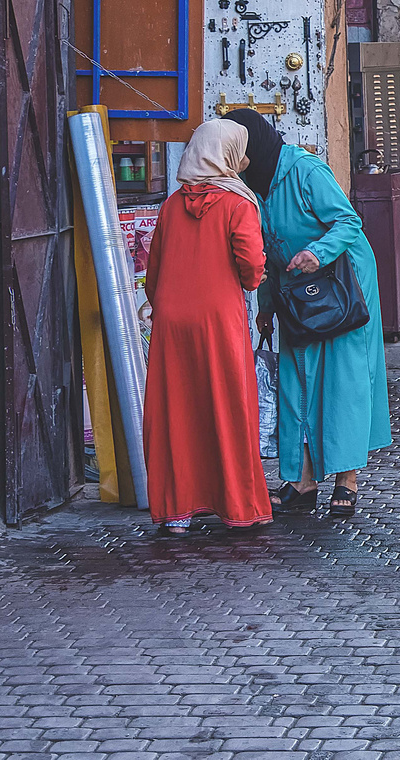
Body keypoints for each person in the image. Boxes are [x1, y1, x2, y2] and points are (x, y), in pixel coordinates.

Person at [228, 108, 390, 520]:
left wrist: (316, 253)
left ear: (254, 146)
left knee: (341, 380)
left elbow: (348, 223)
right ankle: (301, 481)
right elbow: (266, 248)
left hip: (341, 286)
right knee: (296, 379)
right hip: (296, 291)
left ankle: (346, 480)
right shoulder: (253, 182)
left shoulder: (305, 170)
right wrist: (266, 305)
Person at [141, 119, 270, 535]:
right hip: (218, 319)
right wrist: (256, 279)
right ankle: (237, 508)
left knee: (177, 411)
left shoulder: (171, 204)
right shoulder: (239, 203)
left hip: (172, 322)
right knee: (228, 406)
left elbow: (153, 271)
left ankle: (177, 511)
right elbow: (251, 265)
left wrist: (161, 305)